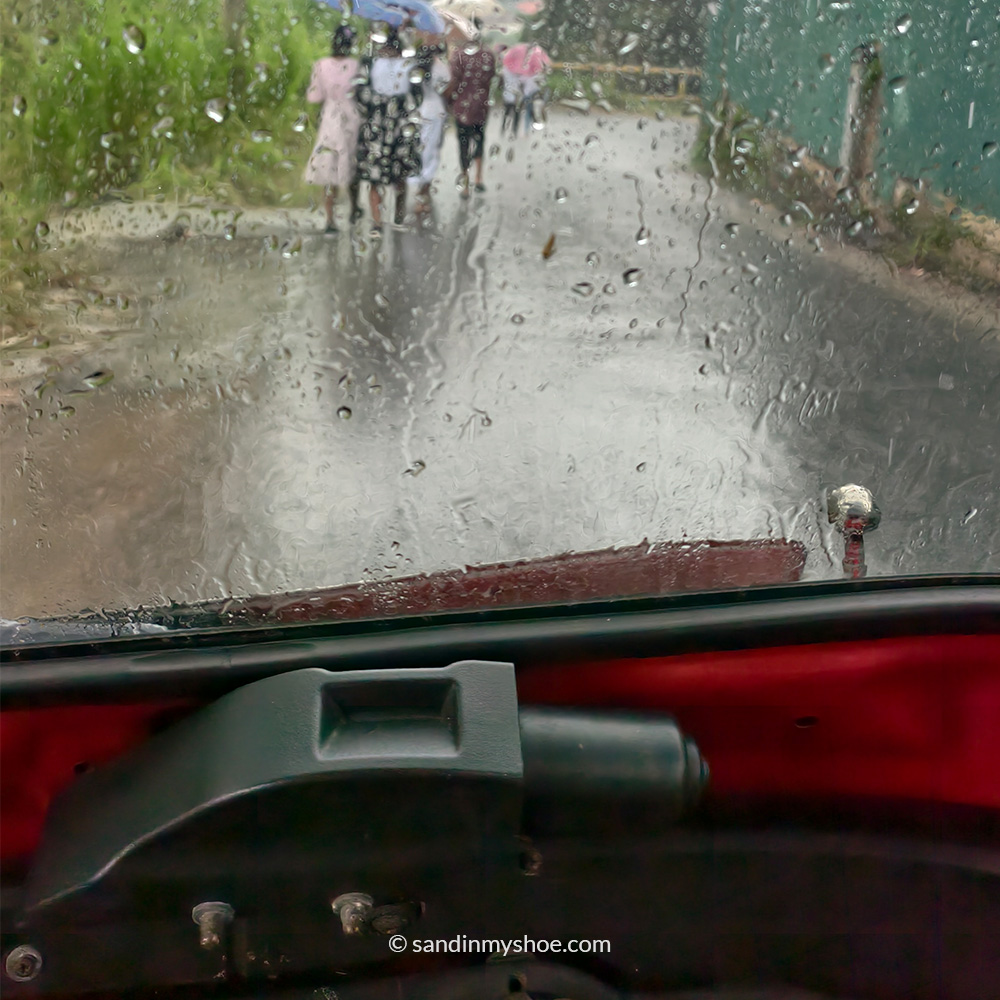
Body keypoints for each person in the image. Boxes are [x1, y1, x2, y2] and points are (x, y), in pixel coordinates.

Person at [353, 27, 423, 235]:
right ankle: (398, 214)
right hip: (401, 124)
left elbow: (361, 95)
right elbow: (417, 96)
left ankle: (377, 220)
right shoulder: (409, 66)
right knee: (400, 172)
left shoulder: (370, 63)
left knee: (375, 174)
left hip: (377, 123)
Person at [304, 24, 362, 234]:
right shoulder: (355, 65)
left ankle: (330, 218)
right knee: (351, 161)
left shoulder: (321, 65)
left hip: (330, 117)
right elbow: (360, 91)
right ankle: (354, 206)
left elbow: (315, 96)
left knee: (329, 165)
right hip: (351, 116)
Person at [444, 22, 496, 196]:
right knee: (480, 139)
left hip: (462, 107)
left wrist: (448, 101)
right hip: (481, 105)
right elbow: (490, 79)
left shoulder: (459, 55)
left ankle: (465, 182)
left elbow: (453, 81)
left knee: (464, 143)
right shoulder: (488, 55)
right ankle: (479, 178)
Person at [411, 42, 451, 216]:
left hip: (420, 110)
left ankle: (420, 189)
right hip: (436, 111)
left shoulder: (417, 66)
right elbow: (447, 90)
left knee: (421, 149)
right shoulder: (441, 67)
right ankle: (423, 192)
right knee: (432, 152)